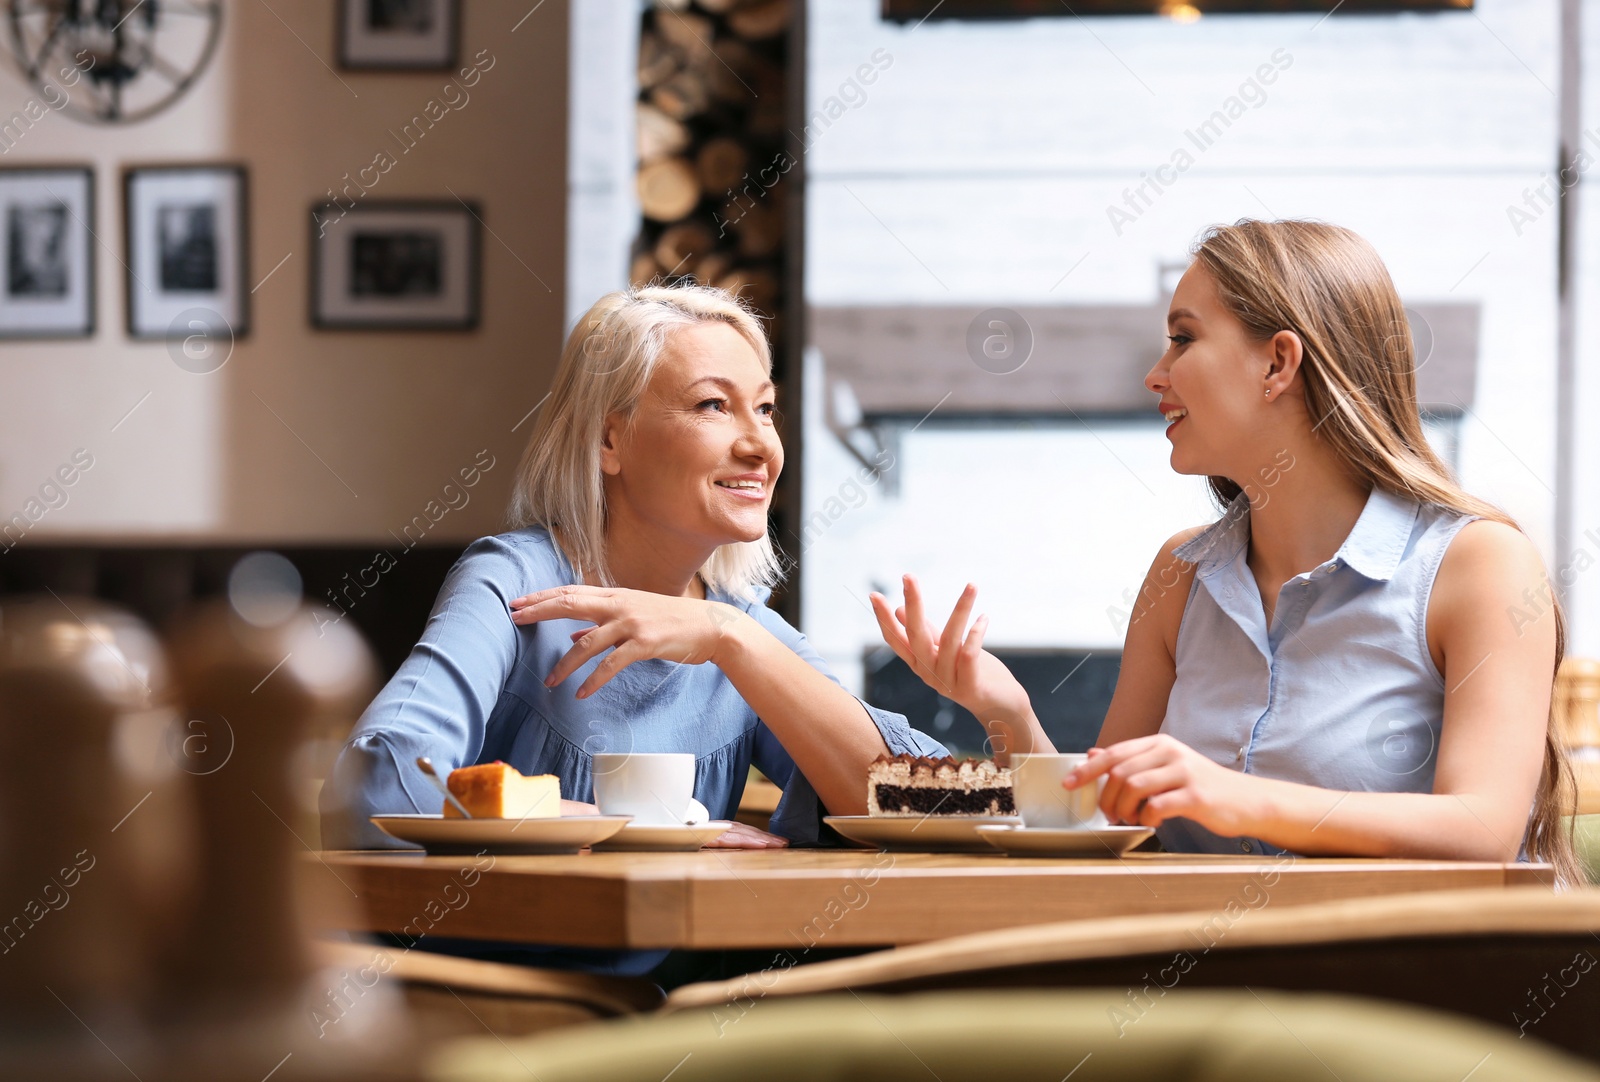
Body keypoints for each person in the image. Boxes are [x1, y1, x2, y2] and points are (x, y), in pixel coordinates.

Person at [871, 219, 1577, 883]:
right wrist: (1007, 712)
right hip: (1204, 985)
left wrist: (1236, 798)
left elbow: (1482, 826)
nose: (1155, 373)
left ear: (1278, 363)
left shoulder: (1479, 566)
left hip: (1411, 991)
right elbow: (1104, 818)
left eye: (1183, 338)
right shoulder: (1180, 576)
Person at [321, 282, 945, 859]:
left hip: (680, 985)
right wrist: (637, 829)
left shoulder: (736, 629)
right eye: (712, 405)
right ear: (608, 441)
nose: (760, 444)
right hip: (487, 976)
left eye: (766, 409)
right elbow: (378, 786)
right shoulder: (513, 583)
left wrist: (729, 637)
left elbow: (923, 808)